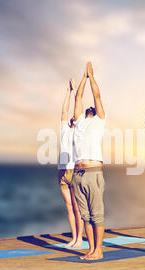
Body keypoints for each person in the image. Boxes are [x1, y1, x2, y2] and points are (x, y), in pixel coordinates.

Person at [71, 62, 106, 260]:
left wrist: (92, 77)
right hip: (78, 173)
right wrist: (82, 78)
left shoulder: (99, 121)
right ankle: (91, 249)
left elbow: (97, 97)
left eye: (91, 108)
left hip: (93, 172)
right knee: (85, 216)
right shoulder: (80, 122)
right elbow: (78, 97)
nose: (90, 108)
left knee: (97, 214)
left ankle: (99, 250)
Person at [58, 78, 84, 248]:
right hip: (62, 171)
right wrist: (68, 92)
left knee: (77, 208)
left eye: (76, 117)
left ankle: (80, 239)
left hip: (73, 170)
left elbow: (77, 109)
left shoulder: (80, 132)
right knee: (68, 207)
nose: (72, 117)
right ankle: (74, 238)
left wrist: (76, 93)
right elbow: (64, 111)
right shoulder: (64, 128)